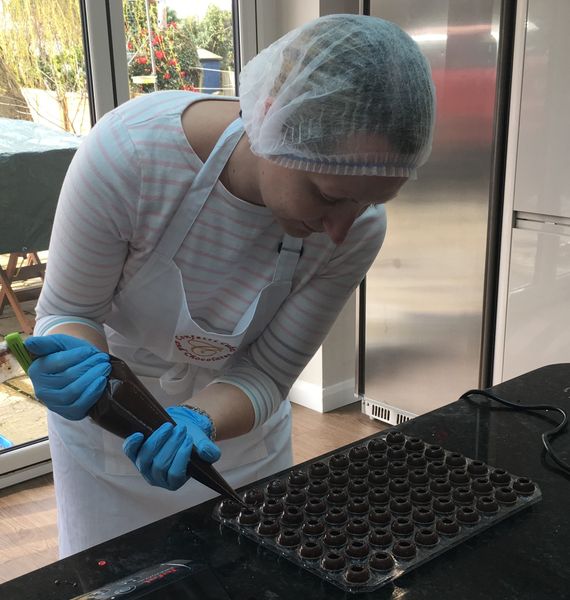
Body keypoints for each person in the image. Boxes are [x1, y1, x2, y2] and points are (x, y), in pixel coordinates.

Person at [24, 13, 435, 557]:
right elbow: (69, 308)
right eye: (328, 196)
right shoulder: (131, 155)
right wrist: (77, 363)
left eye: (370, 201)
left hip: (236, 441)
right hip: (110, 430)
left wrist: (198, 419)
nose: (342, 226)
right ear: (270, 118)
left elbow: (266, 371)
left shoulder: (357, 231)